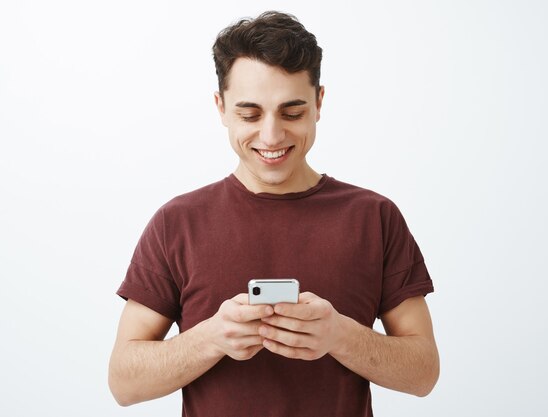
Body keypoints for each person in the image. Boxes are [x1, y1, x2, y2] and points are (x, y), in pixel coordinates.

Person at [108, 10, 439, 417]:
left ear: (319, 102)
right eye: (249, 114)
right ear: (221, 107)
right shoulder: (177, 223)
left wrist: (340, 336)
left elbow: (423, 373)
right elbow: (124, 382)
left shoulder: (374, 218)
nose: (271, 136)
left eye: (292, 113)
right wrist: (210, 338)